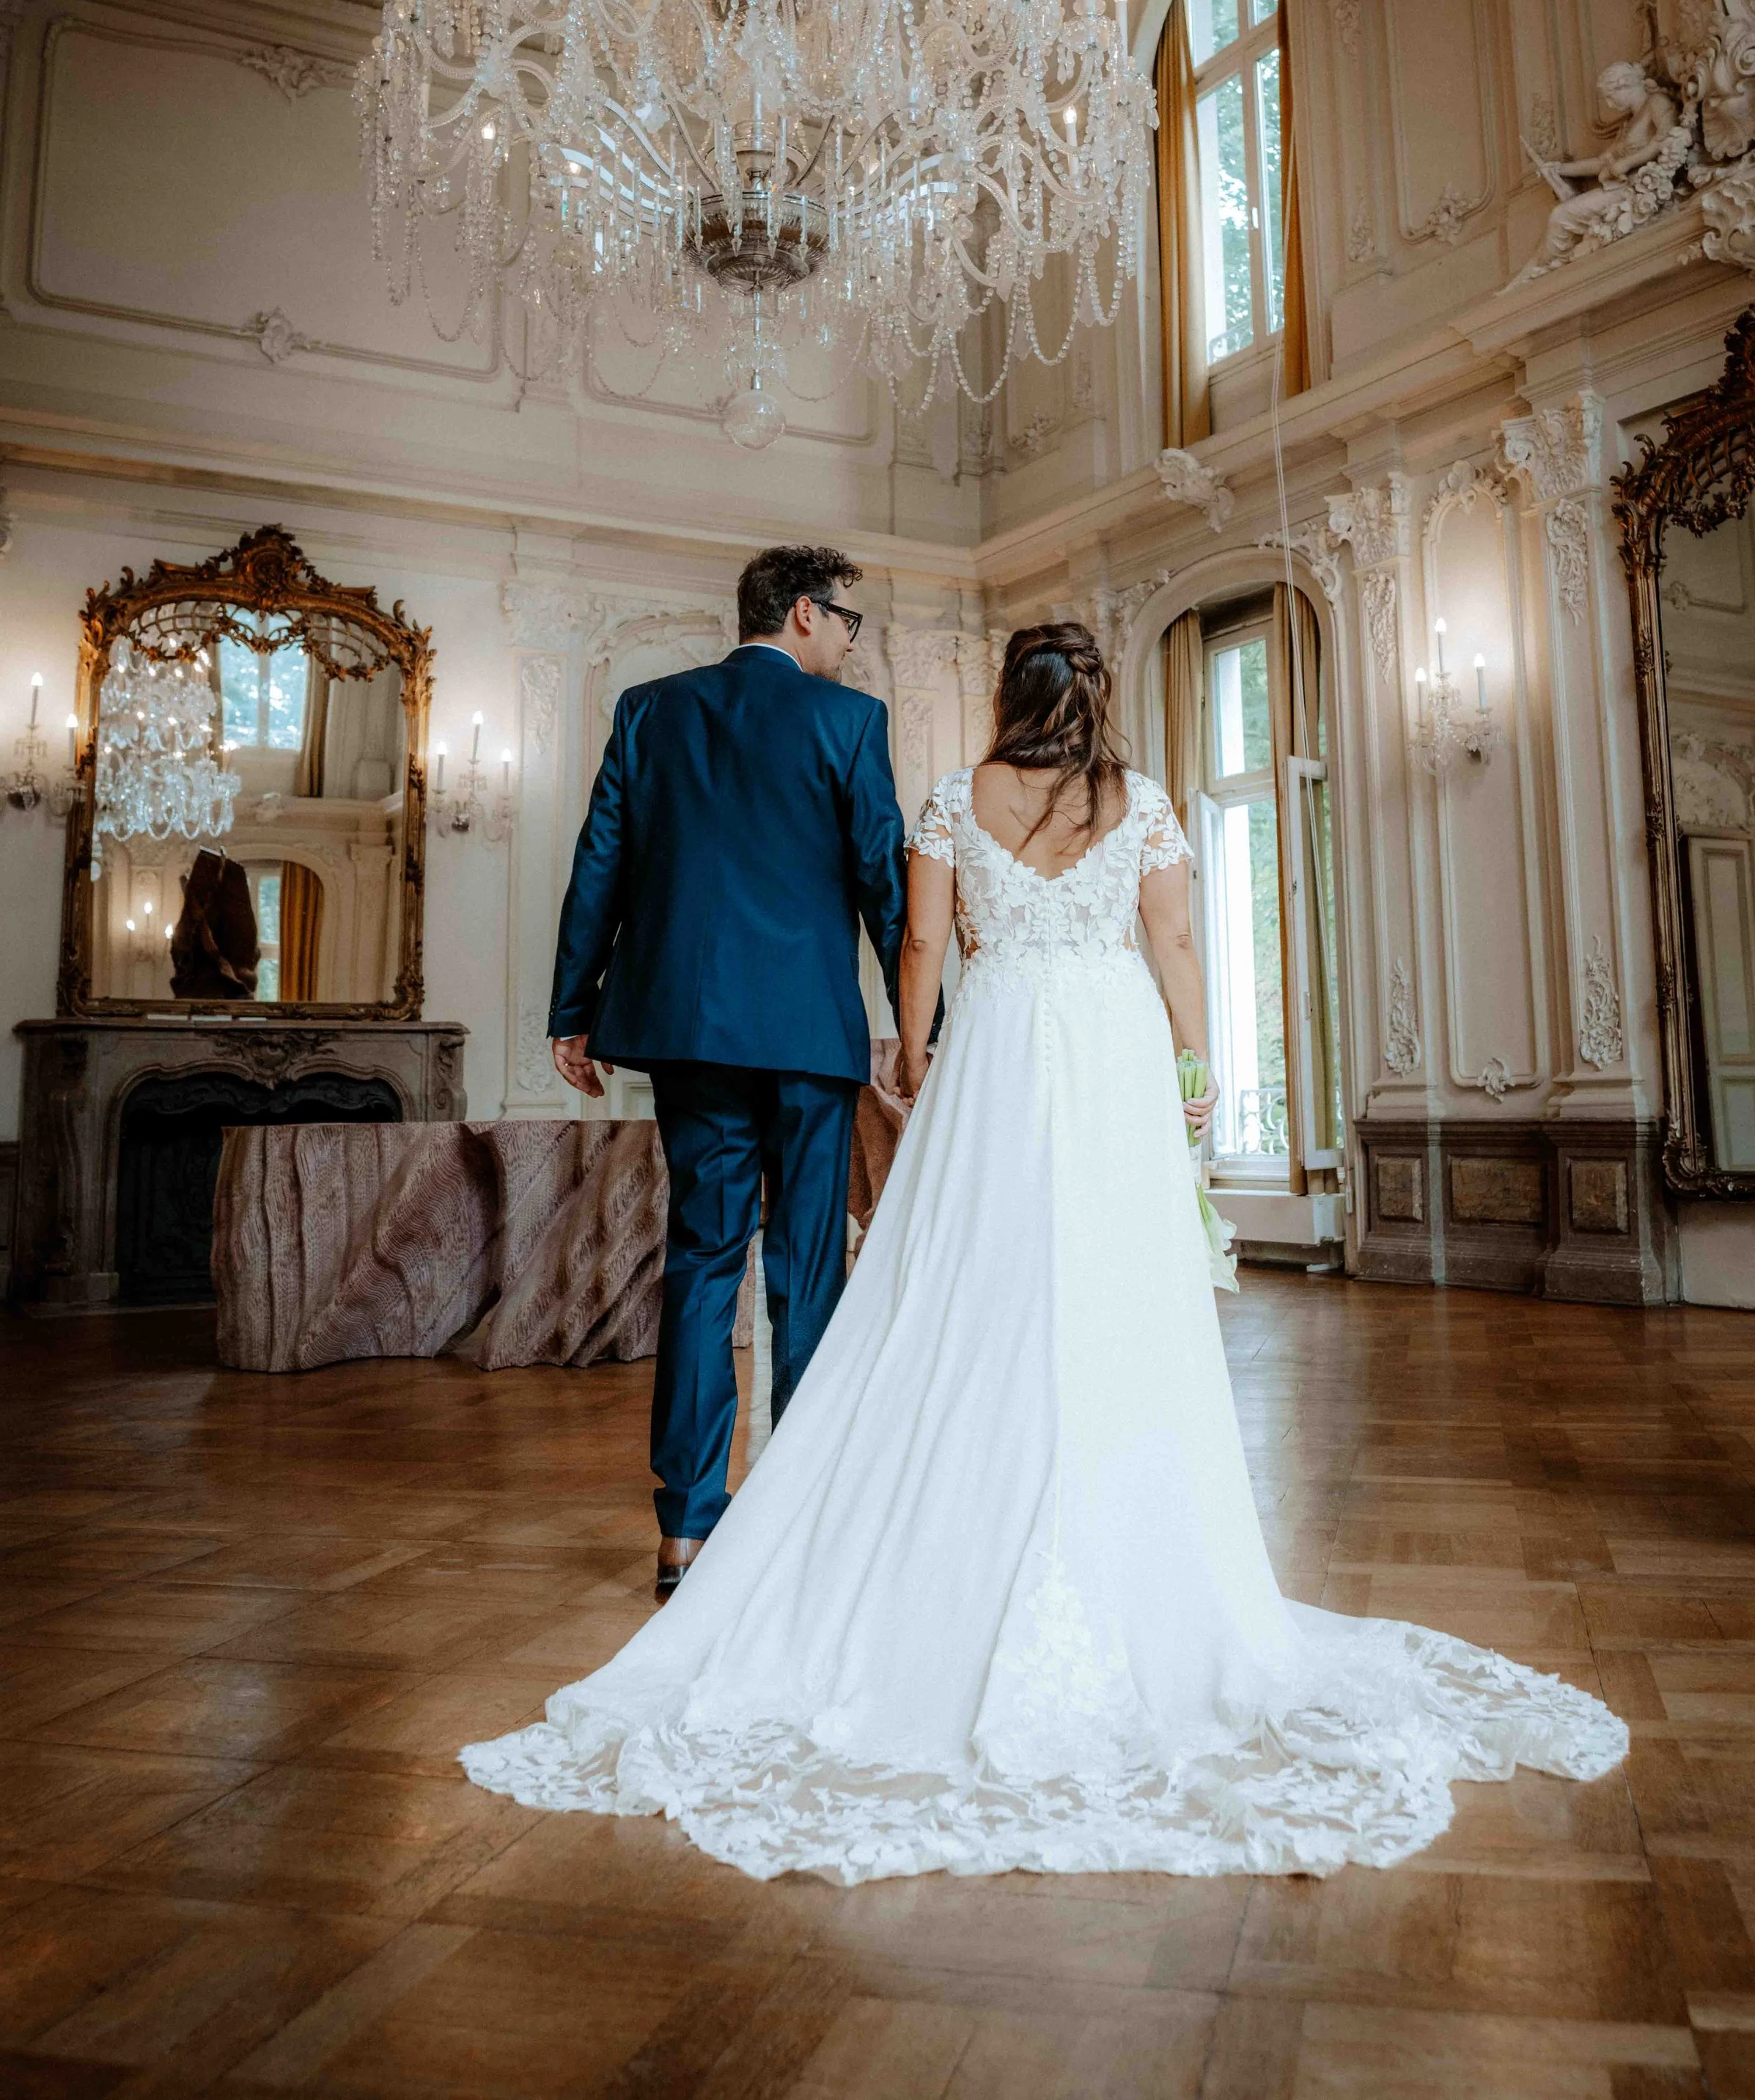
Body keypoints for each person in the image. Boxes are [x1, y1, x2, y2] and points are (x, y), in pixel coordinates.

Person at [467, 623, 1626, 1881]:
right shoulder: (1140, 802)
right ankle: (1124, 1522)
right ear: (1098, 699)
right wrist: (1199, 1063)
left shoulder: (956, 797)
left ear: (1010, 697)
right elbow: (1174, 941)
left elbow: (919, 943)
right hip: (1113, 1048)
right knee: (1113, 1294)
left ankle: (827, 1523)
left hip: (1002, 1047)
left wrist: (910, 1053)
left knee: (966, 1290)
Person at [546, 542, 905, 1601]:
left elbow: (599, 859)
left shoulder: (651, 711)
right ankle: (803, 1516)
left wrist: (575, 1007)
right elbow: (883, 873)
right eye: (845, 619)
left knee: (703, 1263)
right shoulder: (849, 723)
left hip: (689, 1030)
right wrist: (924, 1018)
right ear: (801, 613)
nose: (849, 639)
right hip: (804, 1034)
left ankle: (687, 1531)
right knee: (807, 1271)